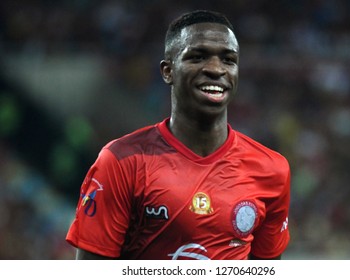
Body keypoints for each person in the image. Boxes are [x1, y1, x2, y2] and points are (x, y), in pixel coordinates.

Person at [66, 9, 291, 260]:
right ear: (167, 71)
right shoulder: (121, 161)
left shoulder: (272, 170)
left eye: (229, 60)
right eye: (197, 57)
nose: (216, 69)